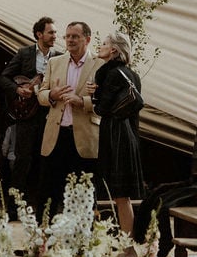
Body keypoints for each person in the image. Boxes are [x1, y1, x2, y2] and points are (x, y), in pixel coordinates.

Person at [37, 21, 102, 214]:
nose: (70, 40)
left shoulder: (100, 65)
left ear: (87, 39)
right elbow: (41, 95)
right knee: (48, 192)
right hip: (56, 136)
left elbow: (105, 103)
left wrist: (82, 101)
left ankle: (82, 240)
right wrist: (52, 95)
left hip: (84, 138)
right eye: (68, 36)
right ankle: (42, 238)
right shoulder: (54, 62)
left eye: (75, 36)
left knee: (83, 194)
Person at [0, 16, 59, 214]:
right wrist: (18, 90)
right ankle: (14, 207)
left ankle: (44, 208)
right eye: (51, 32)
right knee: (22, 159)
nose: (54, 36)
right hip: (28, 114)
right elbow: (4, 77)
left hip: (50, 114)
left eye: (55, 32)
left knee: (47, 160)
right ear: (39, 34)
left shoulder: (59, 56)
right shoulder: (24, 53)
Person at [91, 31, 144, 234]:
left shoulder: (110, 74)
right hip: (128, 136)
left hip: (116, 137)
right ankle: (127, 242)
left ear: (113, 49)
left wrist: (94, 95)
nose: (100, 46)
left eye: (104, 43)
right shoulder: (132, 74)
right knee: (123, 197)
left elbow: (102, 109)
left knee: (121, 196)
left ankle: (127, 244)